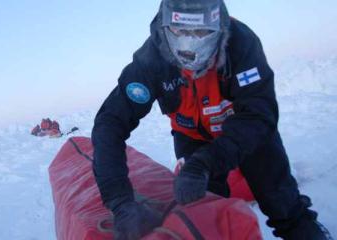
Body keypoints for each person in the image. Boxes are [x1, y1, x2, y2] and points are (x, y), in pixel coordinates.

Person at [91, 0, 332, 239]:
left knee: (281, 200)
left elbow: (259, 114)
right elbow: (109, 124)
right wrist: (120, 201)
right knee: (204, 215)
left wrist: (206, 163)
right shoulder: (149, 63)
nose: (189, 46)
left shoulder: (242, 44)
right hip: (192, 137)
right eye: (180, 32)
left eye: (201, 32)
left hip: (244, 132)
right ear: (165, 28)